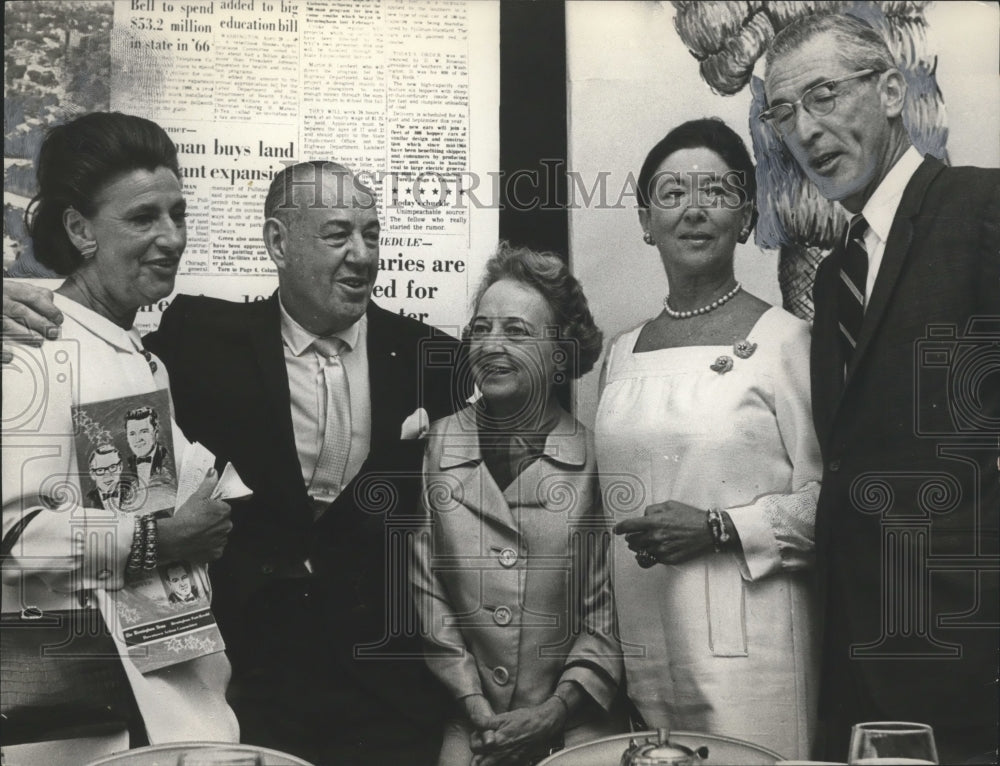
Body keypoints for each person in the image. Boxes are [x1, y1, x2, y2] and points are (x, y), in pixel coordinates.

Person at [2, 159, 465, 763]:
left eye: (372, 234)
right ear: (277, 242)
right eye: (336, 234)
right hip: (238, 682)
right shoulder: (189, 340)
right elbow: (19, 540)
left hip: (383, 687)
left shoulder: (436, 358)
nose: (361, 254)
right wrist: (154, 542)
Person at [761, 13, 1000, 762]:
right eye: (783, 112)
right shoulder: (835, 278)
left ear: (892, 90)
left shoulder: (984, 210)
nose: (805, 129)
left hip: (972, 666)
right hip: (858, 667)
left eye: (825, 95)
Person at [1, 112, 237, 755]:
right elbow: (19, 537)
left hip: (167, 699)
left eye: (177, 213)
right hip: (88, 723)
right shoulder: (38, 347)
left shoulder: (127, 348)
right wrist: (158, 539)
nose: (170, 238)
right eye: (142, 218)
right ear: (79, 229)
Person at [594, 118, 822, 760]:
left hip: (755, 653)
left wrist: (720, 526)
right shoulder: (621, 354)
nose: (694, 210)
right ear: (645, 220)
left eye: (717, 191)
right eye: (672, 193)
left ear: (746, 217)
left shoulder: (788, 343)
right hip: (646, 648)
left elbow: (834, 503)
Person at [412, 244, 624, 766]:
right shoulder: (436, 446)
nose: (490, 346)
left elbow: (607, 615)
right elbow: (427, 594)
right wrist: (476, 707)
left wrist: (554, 711)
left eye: (516, 331)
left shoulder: (597, 458)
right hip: (472, 729)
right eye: (480, 329)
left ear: (561, 355)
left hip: (574, 729)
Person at [124, 405, 174, 485]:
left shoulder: (170, 461)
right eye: (132, 434)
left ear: (156, 433)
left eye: (144, 432)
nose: (138, 439)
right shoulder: (124, 466)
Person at [86, 444, 136, 511]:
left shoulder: (135, 489)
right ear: (92, 474)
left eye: (112, 467)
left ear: (120, 467)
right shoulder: (87, 500)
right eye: (100, 470)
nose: (107, 475)